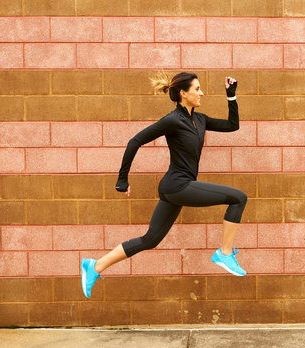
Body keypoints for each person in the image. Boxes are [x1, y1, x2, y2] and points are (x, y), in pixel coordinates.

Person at [81, 72, 248, 298]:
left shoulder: (200, 119)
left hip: (175, 189)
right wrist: (122, 179)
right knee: (238, 198)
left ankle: (95, 266)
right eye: (197, 89)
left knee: (150, 240)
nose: (202, 93)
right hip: (177, 186)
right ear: (183, 93)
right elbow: (135, 141)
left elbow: (232, 126)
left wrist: (231, 97)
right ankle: (225, 253)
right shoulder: (173, 120)